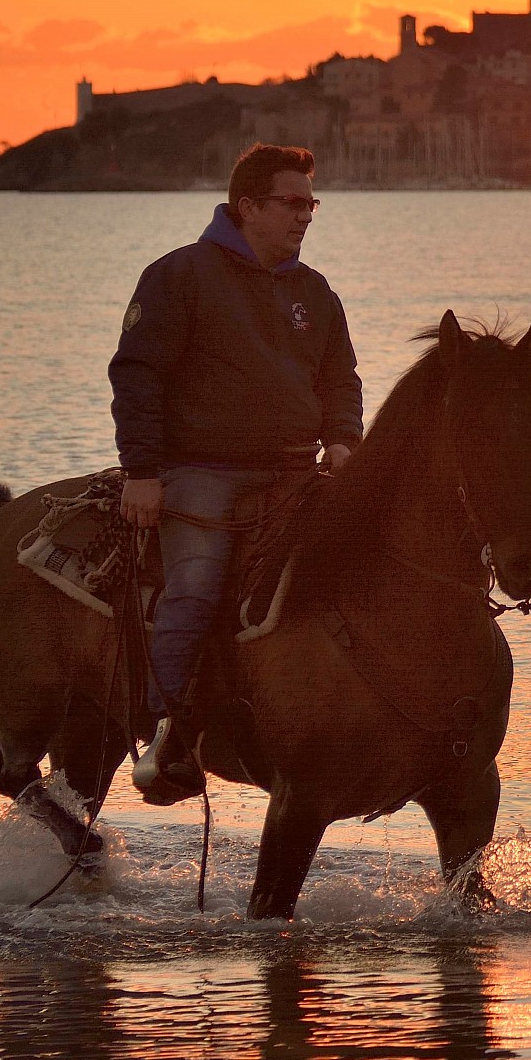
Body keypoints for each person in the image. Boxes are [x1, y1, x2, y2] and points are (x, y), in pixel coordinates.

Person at [109, 143, 364, 804]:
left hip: (294, 472)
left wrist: (342, 440)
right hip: (202, 474)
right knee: (193, 589)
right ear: (247, 206)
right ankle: (166, 738)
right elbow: (138, 375)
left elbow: (341, 378)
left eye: (312, 203)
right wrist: (141, 472)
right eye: (293, 202)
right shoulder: (180, 276)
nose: (306, 216)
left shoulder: (314, 292)